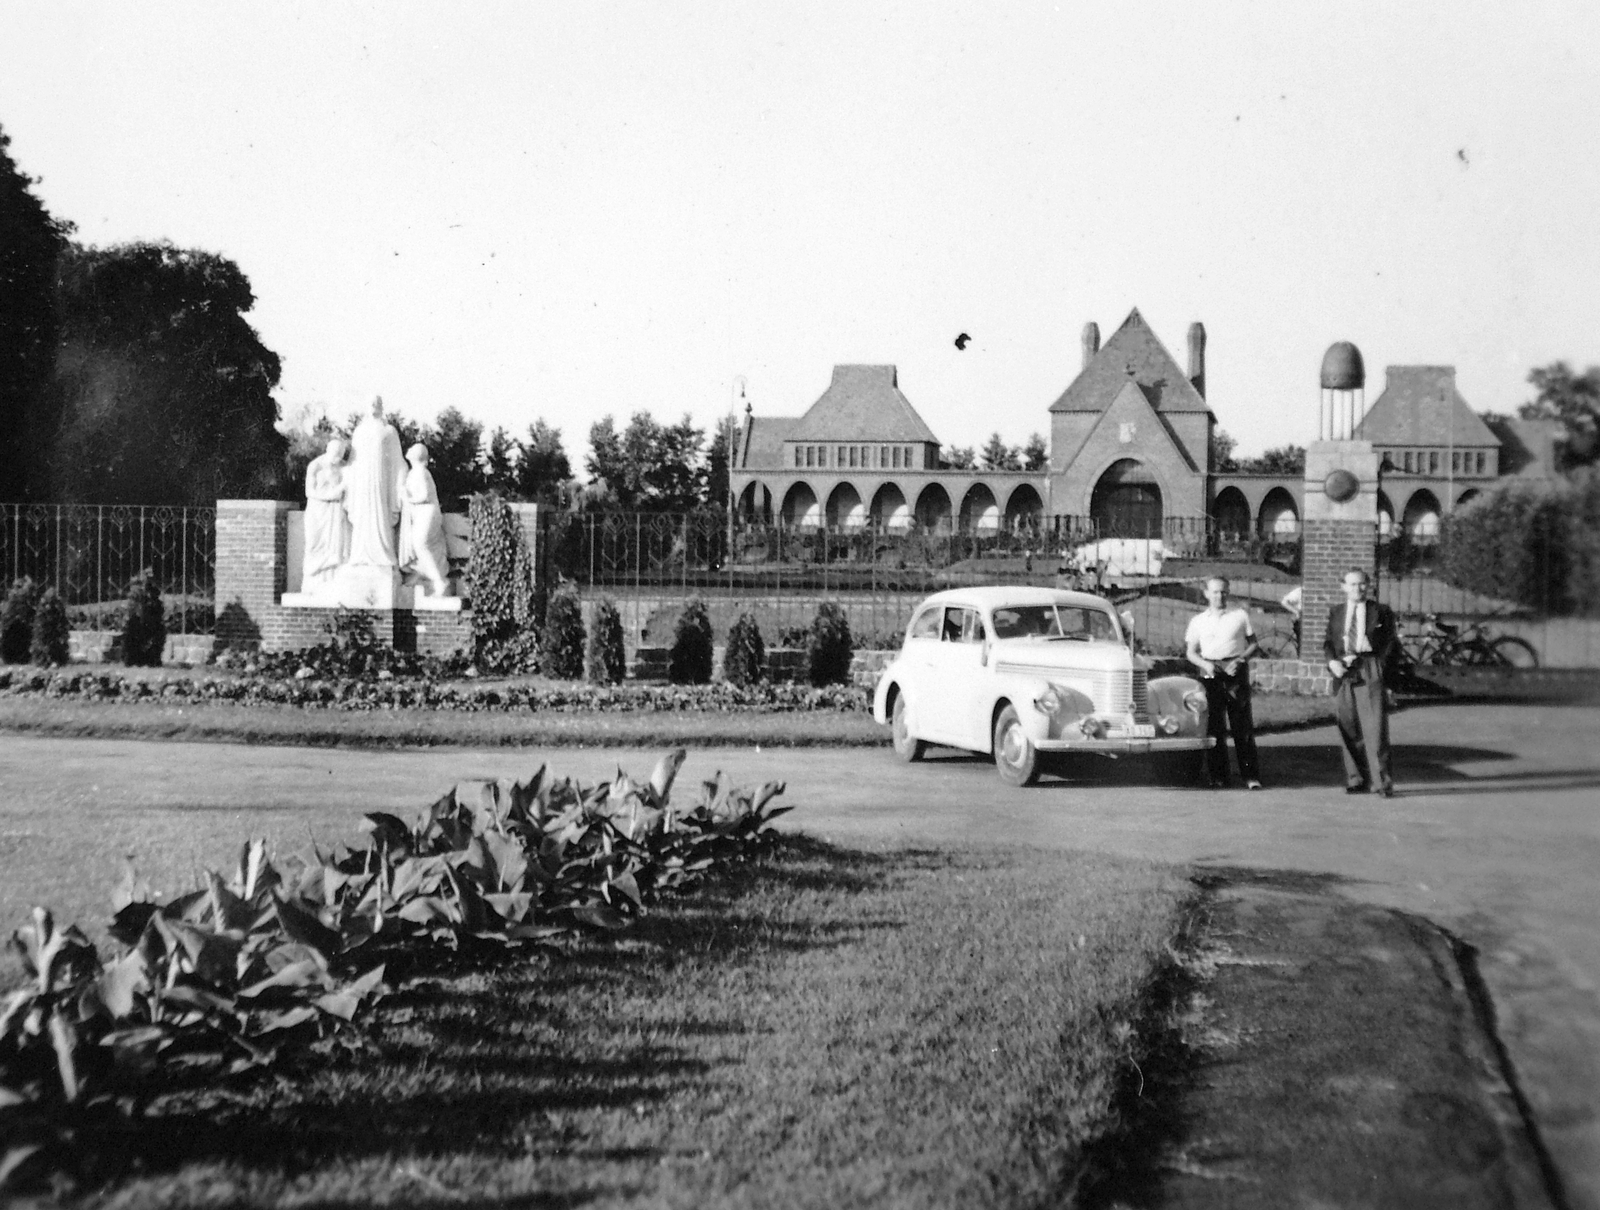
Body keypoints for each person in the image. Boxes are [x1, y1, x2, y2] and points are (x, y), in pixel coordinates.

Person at [1323, 568, 1400, 797]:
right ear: (1343, 587)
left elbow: (1390, 646)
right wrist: (1332, 663)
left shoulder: (1381, 612)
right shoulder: (1336, 612)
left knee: (1374, 727)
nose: (1358, 589)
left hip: (1369, 667)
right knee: (1347, 725)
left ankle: (1381, 783)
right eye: (1353, 584)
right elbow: (1328, 642)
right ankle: (1356, 778)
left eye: (1362, 584)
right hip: (1343, 670)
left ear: (1369, 586)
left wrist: (1384, 677)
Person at [1185, 575, 1262, 789]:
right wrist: (1204, 664)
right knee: (1214, 726)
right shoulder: (1198, 621)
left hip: (1234, 670)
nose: (1220, 596)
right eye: (1215, 592)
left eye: (1223, 591)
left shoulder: (1239, 616)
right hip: (1209, 671)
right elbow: (1190, 652)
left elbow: (1254, 644)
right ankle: (1219, 777)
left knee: (1241, 725)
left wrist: (1240, 660)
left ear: (1228, 592)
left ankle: (1251, 776)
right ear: (1206, 594)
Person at [345, 396, 406, 568]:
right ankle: (360, 555)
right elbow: (352, 460)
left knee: (380, 512)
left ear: (382, 406)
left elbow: (397, 459)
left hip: (381, 479)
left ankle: (383, 554)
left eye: (377, 402)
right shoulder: (359, 431)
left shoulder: (389, 431)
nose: (374, 405)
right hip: (363, 480)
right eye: (371, 402)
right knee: (363, 514)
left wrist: (402, 480)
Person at [398, 443, 451, 597]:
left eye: (411, 449)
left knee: (421, 544)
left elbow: (424, 496)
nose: (407, 451)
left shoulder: (420, 472)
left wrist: (407, 498)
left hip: (427, 512)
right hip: (420, 513)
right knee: (416, 546)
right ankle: (420, 575)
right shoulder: (414, 472)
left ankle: (439, 581)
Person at [301, 436, 349, 593]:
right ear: (328, 450)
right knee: (314, 544)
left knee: (335, 546)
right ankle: (312, 581)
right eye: (335, 454)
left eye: (340, 455)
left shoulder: (344, 466)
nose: (337, 458)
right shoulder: (315, 466)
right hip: (317, 510)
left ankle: (331, 581)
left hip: (335, 512)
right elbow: (309, 491)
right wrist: (332, 495)